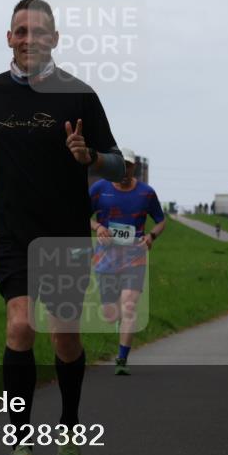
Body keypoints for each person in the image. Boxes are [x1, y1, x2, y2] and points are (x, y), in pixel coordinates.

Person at [0, 0, 124, 455]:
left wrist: (87, 155)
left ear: (54, 39)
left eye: (38, 31)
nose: (29, 39)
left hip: (65, 234)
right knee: (20, 325)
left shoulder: (80, 97)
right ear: (9, 38)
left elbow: (117, 163)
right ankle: (21, 447)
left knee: (64, 337)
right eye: (20, 31)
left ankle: (68, 434)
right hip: (10, 231)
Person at [89, 148, 166, 376]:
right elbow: (81, 216)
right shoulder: (99, 189)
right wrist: (98, 226)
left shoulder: (146, 193)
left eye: (129, 165)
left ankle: (122, 359)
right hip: (105, 259)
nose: (124, 169)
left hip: (135, 258)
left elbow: (161, 221)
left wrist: (151, 236)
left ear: (134, 168)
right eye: (120, 164)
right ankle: (118, 319)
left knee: (130, 306)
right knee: (111, 313)